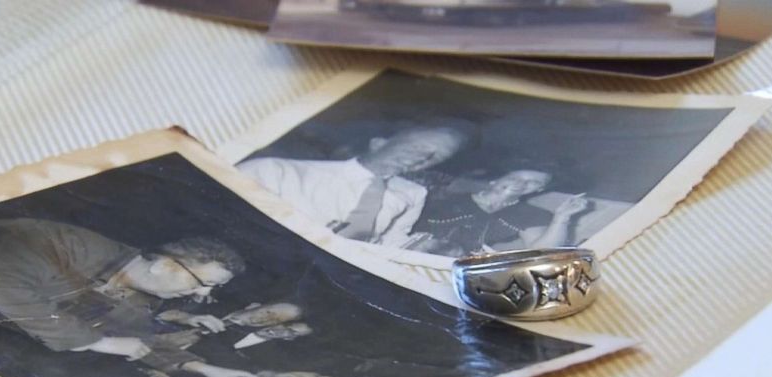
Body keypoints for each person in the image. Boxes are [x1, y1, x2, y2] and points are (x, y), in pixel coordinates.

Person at [0, 217, 263, 377]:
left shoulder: (143, 298)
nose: (200, 296)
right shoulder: (65, 243)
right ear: (164, 265)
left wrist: (206, 370)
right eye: (203, 284)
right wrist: (96, 343)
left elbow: (140, 340)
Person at [237, 121, 472, 247]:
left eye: (436, 158)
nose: (422, 160)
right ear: (378, 143)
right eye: (416, 148)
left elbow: (391, 241)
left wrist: (424, 246)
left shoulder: (413, 193)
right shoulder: (273, 170)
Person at [410, 169, 589, 256]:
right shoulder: (445, 196)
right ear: (495, 179)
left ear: (539, 189)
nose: (522, 184)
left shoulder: (529, 214)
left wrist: (562, 217)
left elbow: (542, 251)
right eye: (515, 177)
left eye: (534, 182)